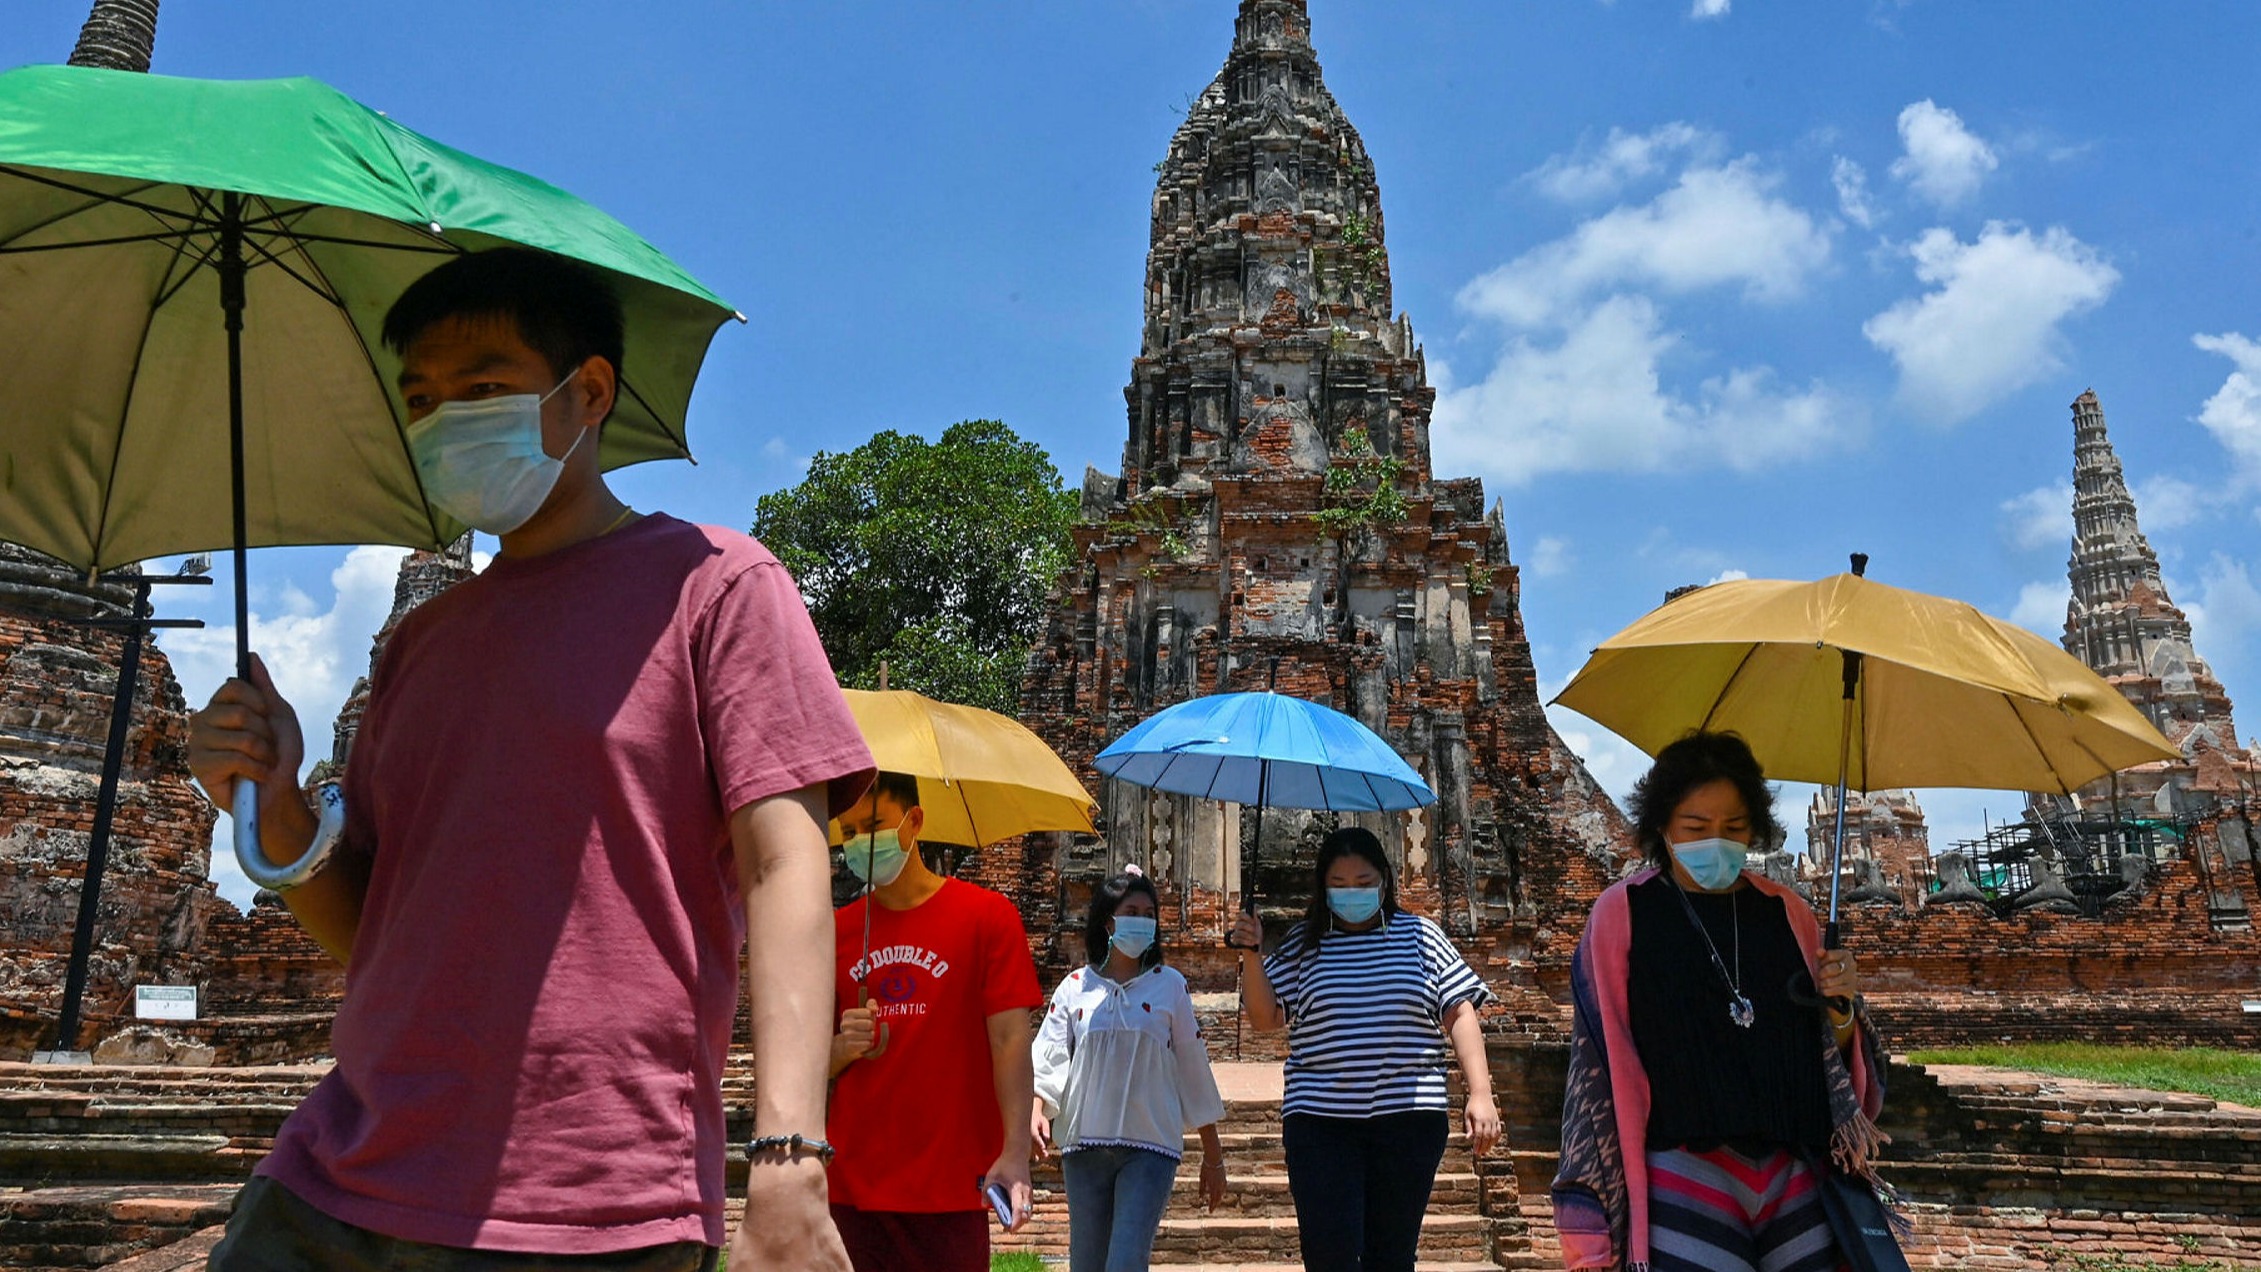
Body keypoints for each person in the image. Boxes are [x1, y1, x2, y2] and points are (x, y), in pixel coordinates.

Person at [187, 247, 873, 1272]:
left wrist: (787, 1155)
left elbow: (785, 867)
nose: (443, 420)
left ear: (586, 392)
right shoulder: (419, 642)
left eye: (482, 389)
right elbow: (373, 925)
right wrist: (274, 802)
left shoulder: (714, 587)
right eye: (421, 399)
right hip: (335, 1174)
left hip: (587, 1198)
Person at [1551, 731, 1887, 1272]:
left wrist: (1843, 1005)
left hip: (1794, 1169)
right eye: (1696, 827)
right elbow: (1597, 1063)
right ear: (1662, 826)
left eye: (1733, 828)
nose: (1716, 840)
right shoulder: (1624, 914)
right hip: (1682, 1169)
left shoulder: (1790, 913)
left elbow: (1835, 1055)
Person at [1231, 827, 1501, 1272]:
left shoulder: (1420, 937)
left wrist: (1480, 1092)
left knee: (1390, 1256)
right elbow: (1265, 1018)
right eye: (1338, 885)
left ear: (1385, 882)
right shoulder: (1304, 944)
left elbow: (1460, 1010)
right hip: (1320, 1121)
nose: (1350, 893)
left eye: (1362, 883)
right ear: (1322, 888)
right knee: (1327, 1253)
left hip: (1408, 1118)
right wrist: (1253, 954)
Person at [826, 771, 1043, 1272]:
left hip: (949, 1186)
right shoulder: (836, 931)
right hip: (853, 1187)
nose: (862, 843)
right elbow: (801, 1061)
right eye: (850, 831)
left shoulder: (987, 918)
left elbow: (1010, 1042)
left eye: (875, 825)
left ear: (914, 821)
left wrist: (1014, 1152)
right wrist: (843, 1047)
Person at [1032, 867, 1229, 1272]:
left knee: (1125, 1262)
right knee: (1086, 1263)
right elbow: (1051, 1055)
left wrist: (1214, 1156)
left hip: (1149, 1147)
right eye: (1131, 911)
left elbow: (1192, 1067)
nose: (1142, 921)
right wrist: (1037, 1110)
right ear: (1109, 921)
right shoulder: (1074, 987)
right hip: (1084, 1146)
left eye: (1149, 913)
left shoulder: (1170, 986)